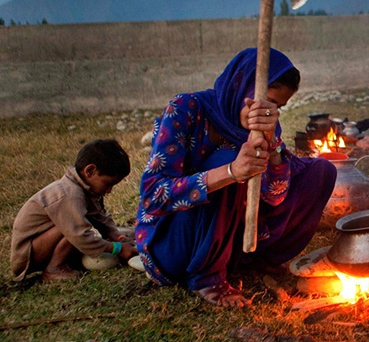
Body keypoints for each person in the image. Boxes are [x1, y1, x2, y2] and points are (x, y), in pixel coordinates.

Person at [134, 48, 336, 307]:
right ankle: (206, 276)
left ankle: (257, 260)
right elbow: (153, 197)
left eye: (277, 107)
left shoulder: (265, 123)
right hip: (174, 246)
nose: (267, 111)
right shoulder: (185, 109)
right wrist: (230, 172)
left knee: (319, 172)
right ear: (240, 86)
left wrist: (272, 144)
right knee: (228, 160)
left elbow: (274, 196)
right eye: (266, 101)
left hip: (232, 242)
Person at [11, 139, 137, 282]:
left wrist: (117, 236)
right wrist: (117, 248)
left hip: (44, 244)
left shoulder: (85, 188)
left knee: (80, 223)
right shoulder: (69, 195)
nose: (109, 190)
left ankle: (63, 260)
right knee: (74, 228)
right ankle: (54, 268)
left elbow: (99, 216)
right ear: (90, 171)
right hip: (28, 255)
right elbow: (79, 235)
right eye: (108, 184)